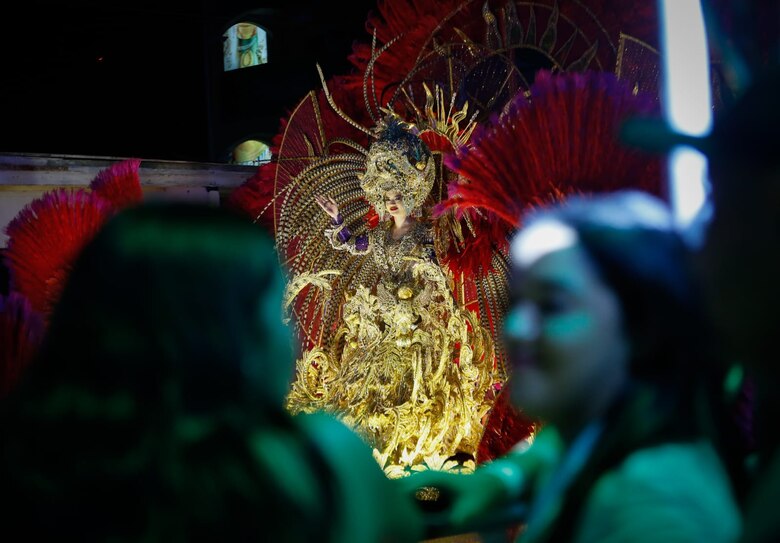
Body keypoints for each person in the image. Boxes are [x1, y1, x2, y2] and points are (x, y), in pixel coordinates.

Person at [0, 201, 421, 542]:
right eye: (278, 310)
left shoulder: (34, 471)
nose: (295, 335)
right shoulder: (319, 458)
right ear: (224, 334)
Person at [399, 190, 744, 542]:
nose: (516, 328)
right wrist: (501, 480)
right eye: (514, 303)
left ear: (638, 326)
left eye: (552, 305)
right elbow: (554, 451)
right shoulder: (597, 437)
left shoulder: (654, 508)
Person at [285, 114, 497, 478]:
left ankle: (416, 445)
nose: (393, 201)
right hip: (382, 328)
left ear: (413, 193)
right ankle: (373, 445)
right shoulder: (381, 236)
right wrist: (337, 220)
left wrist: (413, 296)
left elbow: (438, 277)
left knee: (416, 391)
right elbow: (352, 244)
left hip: (418, 331)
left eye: (399, 195)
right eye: (387, 196)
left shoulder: (427, 234)